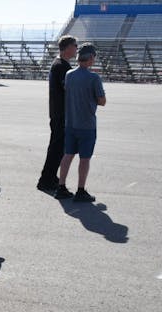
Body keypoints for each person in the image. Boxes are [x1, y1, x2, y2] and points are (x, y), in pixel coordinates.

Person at [54, 43, 106, 202]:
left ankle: (61, 186)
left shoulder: (69, 74)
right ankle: (81, 190)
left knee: (68, 155)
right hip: (87, 124)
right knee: (84, 158)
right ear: (90, 58)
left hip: (71, 122)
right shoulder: (94, 78)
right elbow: (102, 101)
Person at [37, 35, 77, 193]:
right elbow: (68, 88)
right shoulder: (61, 66)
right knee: (57, 148)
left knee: (57, 148)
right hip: (61, 113)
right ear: (68, 48)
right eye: (75, 45)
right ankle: (46, 180)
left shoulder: (60, 64)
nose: (76, 48)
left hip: (58, 112)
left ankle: (50, 177)